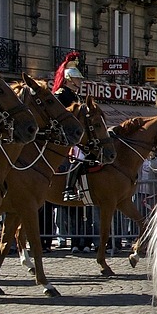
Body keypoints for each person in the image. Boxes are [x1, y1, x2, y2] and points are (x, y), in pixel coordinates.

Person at [52, 52, 87, 202]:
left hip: (75, 134)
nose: (79, 80)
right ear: (68, 78)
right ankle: (68, 189)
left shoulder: (74, 95)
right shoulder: (61, 95)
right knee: (79, 156)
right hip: (65, 136)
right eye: (77, 78)